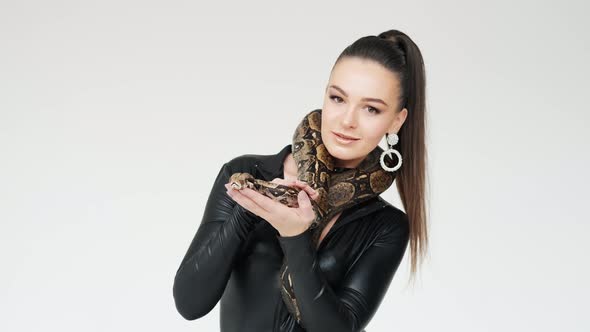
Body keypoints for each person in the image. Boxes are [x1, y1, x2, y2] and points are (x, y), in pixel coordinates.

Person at [172, 29, 429, 332]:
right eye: (338, 98)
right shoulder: (245, 173)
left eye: (371, 109)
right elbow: (190, 303)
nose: (347, 120)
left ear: (396, 121)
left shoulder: (385, 226)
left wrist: (295, 237)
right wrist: (251, 205)